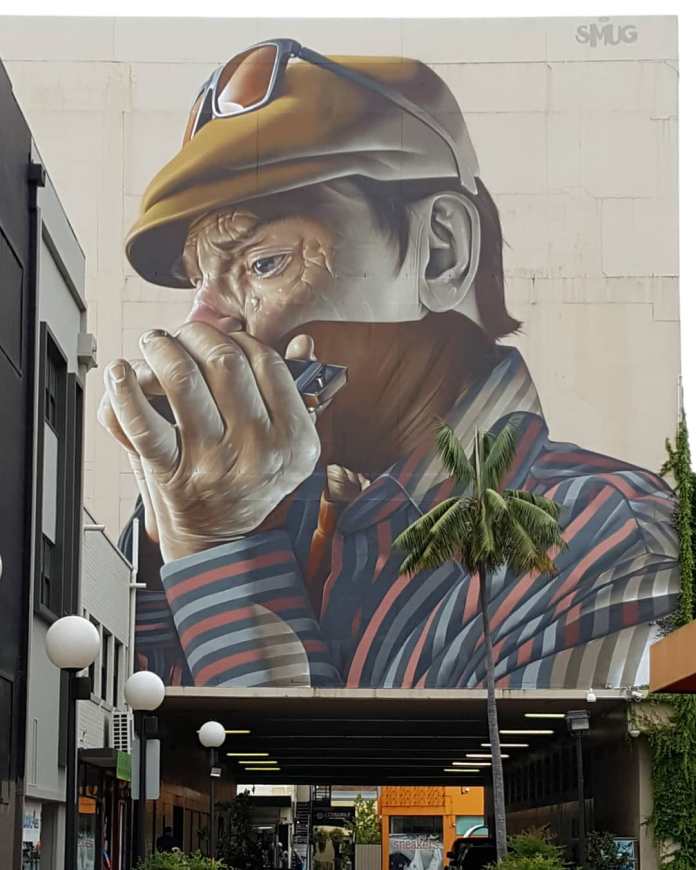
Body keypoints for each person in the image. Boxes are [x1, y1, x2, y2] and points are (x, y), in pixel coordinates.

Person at [102, 39, 679, 691]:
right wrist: (160, 542)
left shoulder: (609, 541)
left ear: (440, 253)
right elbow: (136, 740)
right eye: (199, 284)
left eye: (265, 263)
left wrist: (218, 552)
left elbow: (300, 782)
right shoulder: (277, 506)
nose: (201, 327)